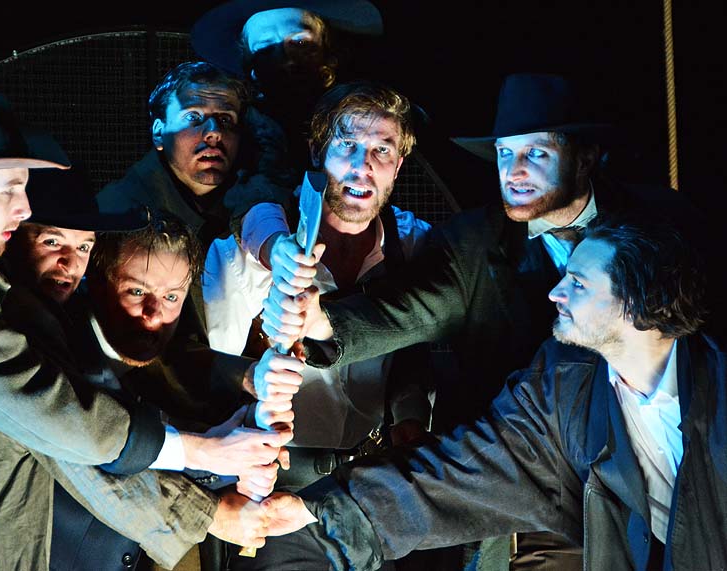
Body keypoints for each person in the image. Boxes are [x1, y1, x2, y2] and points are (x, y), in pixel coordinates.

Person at [261, 73, 710, 568]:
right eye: (504, 154)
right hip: (527, 488)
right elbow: (408, 310)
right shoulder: (472, 242)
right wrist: (322, 323)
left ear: (583, 159)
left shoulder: (664, 222)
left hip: (677, 475)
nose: (515, 172)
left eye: (535, 153)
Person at [0, 89, 267, 571]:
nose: (23, 208)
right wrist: (205, 459)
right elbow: (54, 415)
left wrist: (243, 380)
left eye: (84, 246)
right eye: (9, 191)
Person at [264, 215, 726, 571]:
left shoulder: (717, 384)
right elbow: (462, 469)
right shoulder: (562, 387)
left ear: (638, 304)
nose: (556, 293)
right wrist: (325, 510)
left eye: (579, 284)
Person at [1, 170, 290, 570]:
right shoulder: (42, 347)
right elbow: (102, 458)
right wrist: (214, 501)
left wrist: (249, 456)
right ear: (98, 283)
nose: (153, 315)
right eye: (136, 291)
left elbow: (180, 399)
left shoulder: (164, 357)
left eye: (171, 297)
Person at [203, 81, 432, 570]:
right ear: (317, 151)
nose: (362, 166)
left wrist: (410, 416)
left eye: (381, 150)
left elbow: (424, 344)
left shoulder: (416, 247)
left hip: (368, 493)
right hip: (270, 496)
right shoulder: (246, 256)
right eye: (347, 146)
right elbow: (203, 376)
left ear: (398, 166)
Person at [96, 61, 252, 344]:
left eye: (225, 119)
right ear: (159, 132)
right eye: (193, 117)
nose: (214, 132)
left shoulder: (250, 205)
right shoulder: (119, 214)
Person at [191, 0, 384, 179]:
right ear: (252, 70)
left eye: (300, 42)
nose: (286, 59)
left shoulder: (369, 124)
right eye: (266, 48)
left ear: (328, 53)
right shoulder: (231, 139)